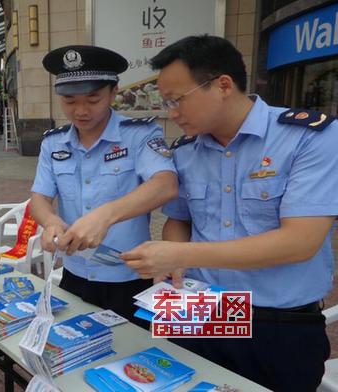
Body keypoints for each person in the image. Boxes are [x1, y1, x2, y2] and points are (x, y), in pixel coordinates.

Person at [121, 35, 338, 391]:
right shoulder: (186, 151)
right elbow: (179, 218)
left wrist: (180, 253)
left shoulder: (310, 138)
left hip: (276, 323)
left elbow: (301, 242)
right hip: (201, 310)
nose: (171, 112)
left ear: (223, 85)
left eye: (178, 100)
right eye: (165, 102)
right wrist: (173, 261)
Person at [30, 45, 178, 325]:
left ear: (113, 92)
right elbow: (39, 196)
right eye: (70, 101)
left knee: (132, 357)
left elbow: (165, 184)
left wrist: (105, 215)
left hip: (128, 277)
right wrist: (50, 221)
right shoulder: (53, 143)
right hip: (75, 273)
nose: (81, 110)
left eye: (93, 98)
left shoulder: (138, 135)